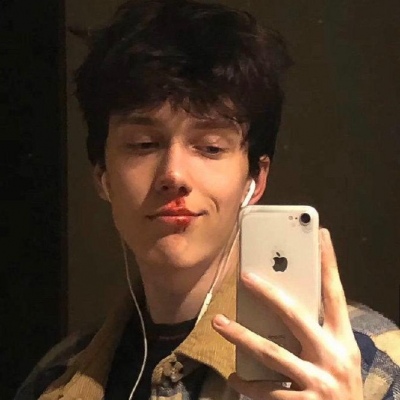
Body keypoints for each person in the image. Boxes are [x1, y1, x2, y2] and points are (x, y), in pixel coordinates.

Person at [15, 0, 400, 399]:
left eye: (211, 147)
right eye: (144, 144)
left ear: (254, 180)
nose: (174, 175)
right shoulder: (55, 379)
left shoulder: (371, 364)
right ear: (102, 177)